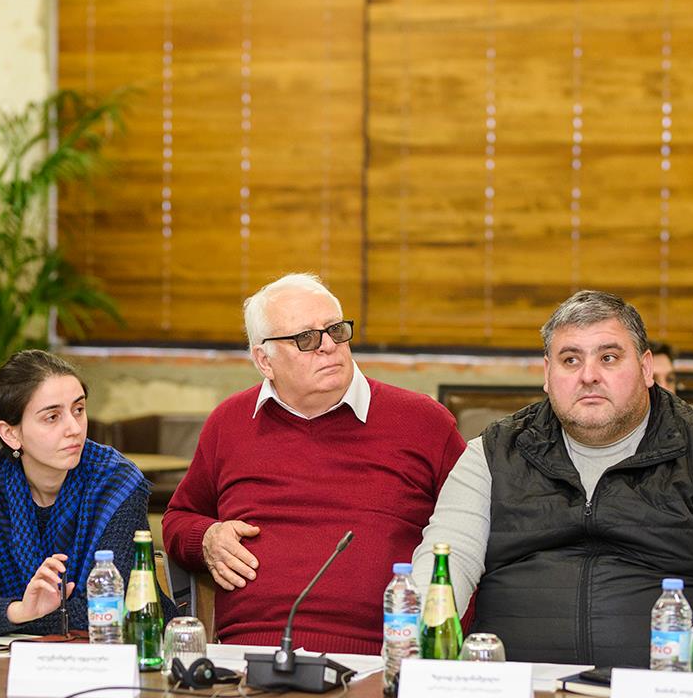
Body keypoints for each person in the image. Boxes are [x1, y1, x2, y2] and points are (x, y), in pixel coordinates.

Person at [412, 290, 693, 665]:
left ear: (646, 368)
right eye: (570, 360)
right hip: (512, 688)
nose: (588, 376)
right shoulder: (492, 452)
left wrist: (683, 682)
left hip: (664, 688)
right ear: (547, 374)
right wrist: (420, 656)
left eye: (608, 358)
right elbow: (443, 567)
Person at [162, 274, 466, 653]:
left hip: (384, 654)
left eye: (335, 330)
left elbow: (475, 537)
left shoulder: (422, 422)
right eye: (306, 338)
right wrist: (207, 537)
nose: (328, 346)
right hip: (252, 654)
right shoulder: (229, 422)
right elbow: (178, 518)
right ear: (264, 360)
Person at [0, 350, 174, 636]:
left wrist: (10, 614)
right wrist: (21, 610)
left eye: (79, 410)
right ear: (11, 434)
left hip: (121, 648)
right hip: (9, 657)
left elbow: (106, 608)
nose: (74, 428)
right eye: (52, 417)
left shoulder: (116, 481)